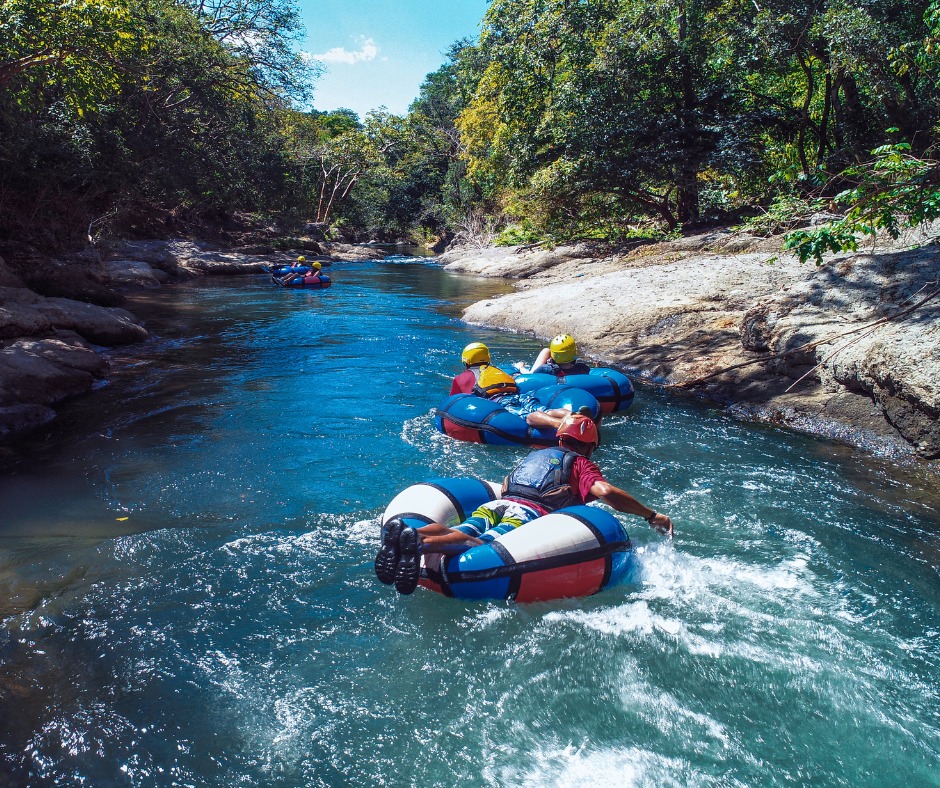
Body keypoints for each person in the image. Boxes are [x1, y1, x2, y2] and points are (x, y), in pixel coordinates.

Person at [375, 413, 673, 594]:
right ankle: (420, 543)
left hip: (495, 506)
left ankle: (414, 534)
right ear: (590, 446)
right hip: (526, 514)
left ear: (560, 438)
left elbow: (505, 486)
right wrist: (650, 514)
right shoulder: (581, 463)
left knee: (467, 527)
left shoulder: (536, 455)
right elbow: (604, 491)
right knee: (476, 545)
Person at [450, 342, 578, 430]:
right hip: (519, 396)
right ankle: (575, 416)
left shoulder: (461, 378)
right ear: (488, 357)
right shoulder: (497, 370)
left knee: (526, 416)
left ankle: (560, 424)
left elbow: (455, 403)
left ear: (465, 361)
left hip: (500, 400)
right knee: (544, 409)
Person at [517, 334, 592, 377]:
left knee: (546, 351)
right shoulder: (582, 368)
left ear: (553, 355)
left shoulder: (545, 370)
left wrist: (521, 367)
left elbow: (530, 376)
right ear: (574, 353)